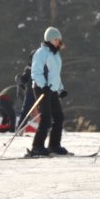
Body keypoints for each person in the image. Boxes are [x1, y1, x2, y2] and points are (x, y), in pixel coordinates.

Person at [29, 27, 68, 156]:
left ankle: (54, 145)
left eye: (58, 39)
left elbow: (56, 75)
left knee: (58, 117)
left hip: (51, 88)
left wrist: (60, 88)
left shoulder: (55, 54)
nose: (58, 42)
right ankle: (37, 146)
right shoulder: (41, 53)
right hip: (42, 88)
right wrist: (43, 86)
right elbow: (35, 72)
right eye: (55, 39)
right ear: (49, 39)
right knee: (46, 117)